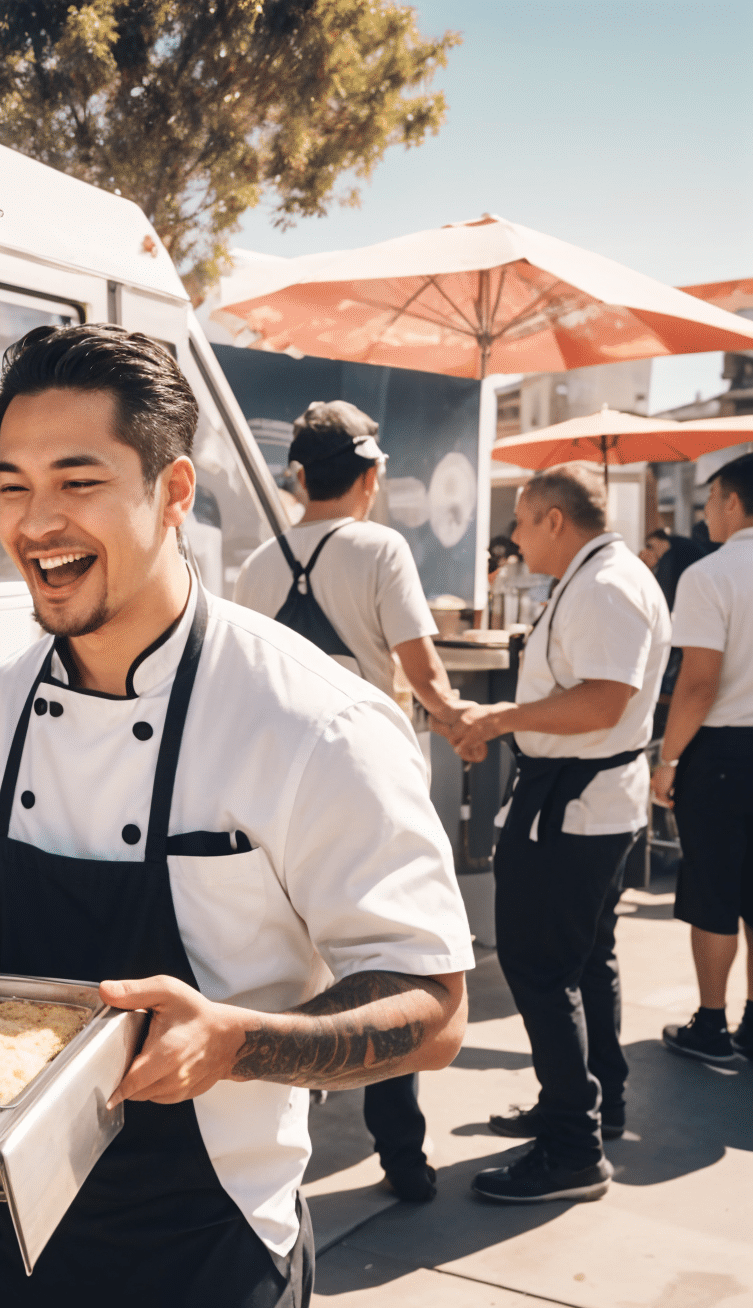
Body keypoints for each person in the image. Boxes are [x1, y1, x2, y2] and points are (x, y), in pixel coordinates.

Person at [0, 325, 471, 1308]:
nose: (35, 523)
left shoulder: (312, 723)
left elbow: (433, 1008)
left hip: (194, 1248)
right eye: (11, 486)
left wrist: (237, 1040)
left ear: (170, 492)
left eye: (78, 480)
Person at [234, 400, 472, 1204]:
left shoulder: (259, 563)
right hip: (369, 787)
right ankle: (402, 1158)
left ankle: (273, 1144)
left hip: (272, 789)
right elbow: (425, 673)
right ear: (369, 476)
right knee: (389, 966)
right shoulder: (380, 548)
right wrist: (460, 726)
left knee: (287, 962)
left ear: (299, 476)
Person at [449, 463, 670, 1202]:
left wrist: (500, 718)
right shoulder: (600, 576)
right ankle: (587, 1104)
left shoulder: (606, 584)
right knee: (583, 962)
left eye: (518, 520)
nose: (511, 536)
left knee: (541, 970)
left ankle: (573, 1147)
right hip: (587, 807)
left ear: (553, 519)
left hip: (576, 814)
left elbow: (604, 701)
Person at [650, 454, 753, 1064]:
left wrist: (667, 760)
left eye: (713, 498)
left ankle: (711, 1026)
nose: (706, 510)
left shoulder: (712, 574)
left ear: (735, 503)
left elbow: (697, 684)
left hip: (721, 752)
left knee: (713, 891)